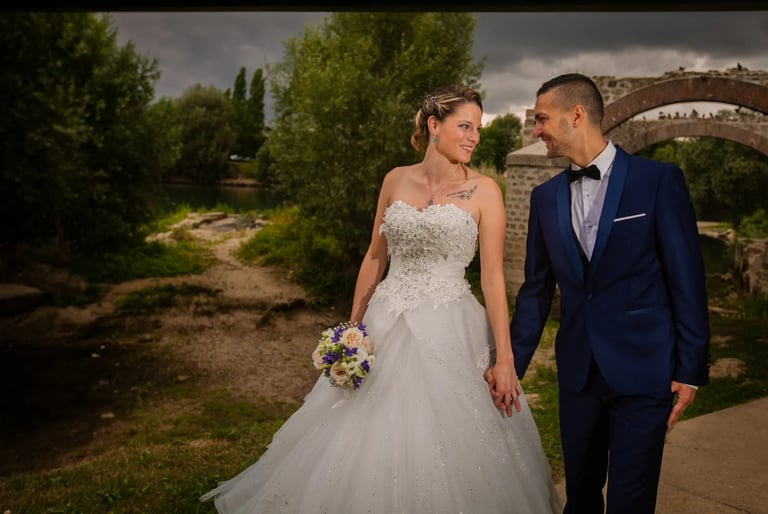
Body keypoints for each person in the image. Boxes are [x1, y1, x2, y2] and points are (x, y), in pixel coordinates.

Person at [200, 85, 562, 513]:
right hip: (385, 321)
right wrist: (351, 329)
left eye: (477, 129)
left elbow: (494, 278)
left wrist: (504, 359)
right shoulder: (395, 179)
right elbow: (375, 257)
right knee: (354, 427)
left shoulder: (485, 191)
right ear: (434, 126)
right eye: (465, 126)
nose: (474, 137)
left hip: (452, 326)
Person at [486, 73, 711, 514]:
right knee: (581, 497)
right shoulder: (544, 198)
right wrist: (509, 364)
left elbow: (687, 281)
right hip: (577, 376)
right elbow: (535, 293)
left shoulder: (658, 181)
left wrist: (690, 369)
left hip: (645, 373)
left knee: (631, 502)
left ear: (577, 115)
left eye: (541, 119)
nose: (535, 131)